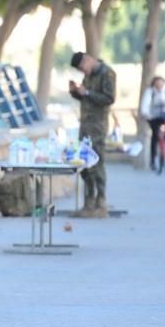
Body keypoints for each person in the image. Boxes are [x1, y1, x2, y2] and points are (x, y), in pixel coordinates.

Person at [69, 50, 116, 217]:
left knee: (97, 162)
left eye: (83, 68)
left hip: (97, 125)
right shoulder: (88, 76)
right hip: (85, 124)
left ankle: (101, 201)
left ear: (88, 60)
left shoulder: (107, 73)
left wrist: (87, 92)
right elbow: (86, 98)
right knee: (84, 163)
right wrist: (76, 92)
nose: (83, 72)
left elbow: (109, 98)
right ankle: (88, 202)